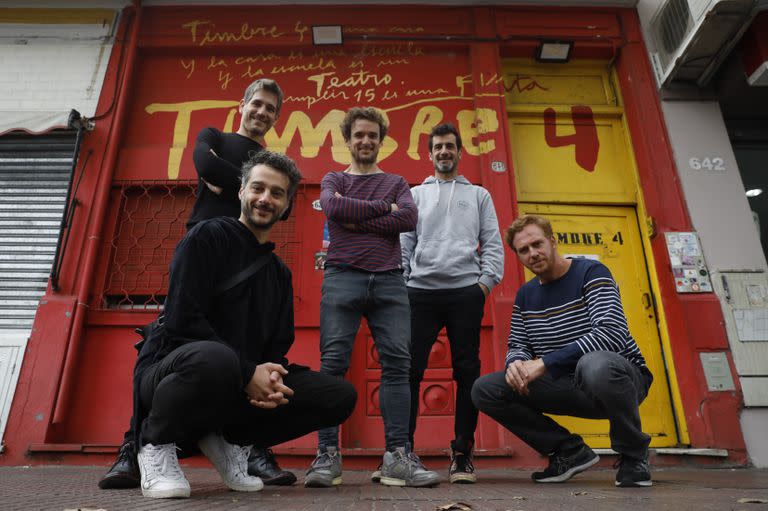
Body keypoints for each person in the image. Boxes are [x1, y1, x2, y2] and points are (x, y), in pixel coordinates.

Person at [99, 78, 298, 489]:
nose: (261, 113)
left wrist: (231, 185)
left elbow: (282, 201)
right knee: (167, 339)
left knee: (244, 352)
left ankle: (252, 448)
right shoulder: (214, 136)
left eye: (270, 109)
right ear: (242, 105)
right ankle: (133, 446)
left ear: (277, 117)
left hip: (246, 258)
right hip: (203, 250)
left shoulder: (271, 159)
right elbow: (204, 165)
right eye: (256, 104)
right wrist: (236, 182)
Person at [132, 150, 356, 499]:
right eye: (258, 188)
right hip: (172, 371)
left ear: (287, 206)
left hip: (233, 381)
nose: (265, 199)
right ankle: (156, 443)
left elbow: (275, 349)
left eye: (277, 193)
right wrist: (246, 370)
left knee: (338, 395)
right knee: (215, 359)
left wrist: (270, 378)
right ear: (241, 191)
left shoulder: (280, 274)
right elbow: (181, 322)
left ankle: (230, 440)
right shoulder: (206, 237)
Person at [304, 107, 439, 489]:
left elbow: (408, 219)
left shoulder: (398, 182)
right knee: (332, 365)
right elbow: (331, 207)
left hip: (390, 282)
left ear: (381, 141)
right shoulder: (333, 178)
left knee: (397, 365)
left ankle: (398, 456)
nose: (366, 141)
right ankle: (327, 454)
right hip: (342, 277)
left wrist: (354, 219)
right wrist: (382, 210)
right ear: (348, 140)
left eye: (372, 136)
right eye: (359, 135)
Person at [471, 214, 654, 488]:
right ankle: (568, 451)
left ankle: (633, 456)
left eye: (537, 244)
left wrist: (544, 363)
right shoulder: (526, 295)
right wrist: (516, 364)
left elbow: (612, 333)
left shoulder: (591, 273)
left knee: (594, 365)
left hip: (618, 381)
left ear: (553, 242)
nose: (533, 254)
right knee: (485, 389)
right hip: (566, 385)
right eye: (524, 250)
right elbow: (518, 344)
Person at [400, 123, 504, 484]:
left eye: (450, 147)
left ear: (460, 152)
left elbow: (492, 242)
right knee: (410, 372)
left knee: (467, 373)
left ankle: (462, 454)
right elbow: (404, 243)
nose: (444, 152)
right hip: (420, 293)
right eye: (438, 147)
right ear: (429, 155)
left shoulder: (479, 195)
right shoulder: (414, 195)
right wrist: (404, 282)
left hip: (465, 293)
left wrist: (483, 285)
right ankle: (403, 451)